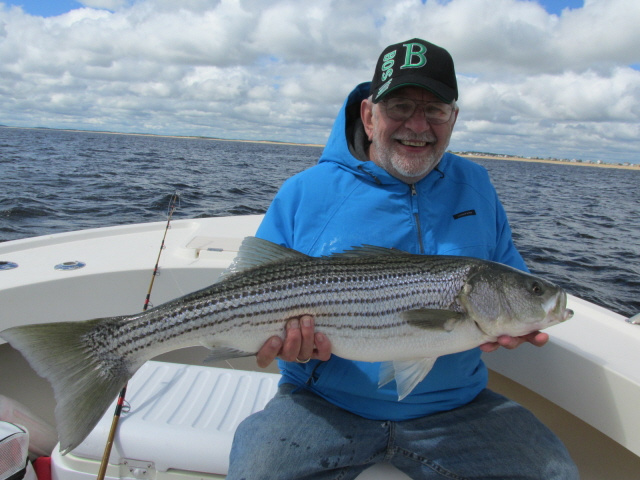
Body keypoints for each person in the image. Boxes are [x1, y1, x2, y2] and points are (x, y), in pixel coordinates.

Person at [227, 38, 579, 479]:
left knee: (555, 473)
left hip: (459, 409)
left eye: (435, 110)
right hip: (323, 407)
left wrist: (519, 315)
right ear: (369, 116)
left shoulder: (477, 185)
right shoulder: (306, 191)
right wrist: (286, 347)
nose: (418, 125)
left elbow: (509, 273)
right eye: (400, 107)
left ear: (453, 118)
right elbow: (255, 285)